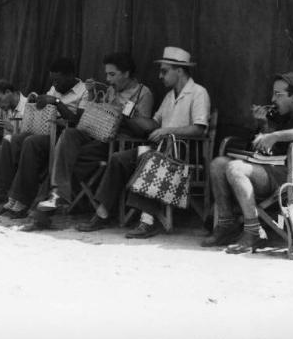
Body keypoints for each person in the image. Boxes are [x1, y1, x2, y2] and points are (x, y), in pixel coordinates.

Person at [77, 46, 210, 239]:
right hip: (161, 151)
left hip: (183, 154)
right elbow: (152, 124)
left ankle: (148, 221)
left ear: (179, 71)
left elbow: (199, 128)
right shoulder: (169, 96)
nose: (160, 76)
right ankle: (102, 213)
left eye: (165, 71)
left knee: (148, 157)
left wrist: (166, 130)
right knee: (119, 158)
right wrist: (130, 114)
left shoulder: (198, 93)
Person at [202, 72, 293, 254]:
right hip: (274, 169)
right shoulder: (285, 118)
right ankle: (226, 225)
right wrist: (264, 124)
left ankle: (253, 231)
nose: (272, 99)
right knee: (218, 163)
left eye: (278, 94)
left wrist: (275, 135)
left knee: (235, 168)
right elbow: (271, 147)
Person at [34, 52, 153, 223]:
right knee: (69, 135)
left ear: (126, 73)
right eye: (106, 74)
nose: (108, 79)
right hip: (99, 137)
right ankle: (57, 195)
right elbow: (98, 115)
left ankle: (48, 203)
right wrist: (92, 95)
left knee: (64, 159)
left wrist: (125, 114)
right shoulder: (111, 90)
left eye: (112, 74)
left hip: (119, 144)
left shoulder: (143, 93)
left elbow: (143, 131)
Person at [0, 57, 89, 218]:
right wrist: (38, 101)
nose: (55, 85)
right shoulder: (55, 88)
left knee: (30, 143)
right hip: (46, 130)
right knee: (9, 141)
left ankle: (22, 201)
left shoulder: (85, 91)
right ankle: (9, 198)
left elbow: (79, 122)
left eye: (58, 80)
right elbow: (44, 108)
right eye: (52, 81)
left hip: (64, 137)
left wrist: (56, 102)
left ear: (71, 76)